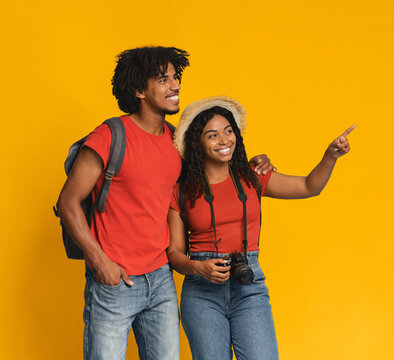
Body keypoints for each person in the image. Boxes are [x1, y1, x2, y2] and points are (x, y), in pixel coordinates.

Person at [55, 47, 274, 360]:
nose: (175, 85)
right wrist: (100, 262)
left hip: (161, 281)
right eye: (163, 80)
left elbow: (215, 168)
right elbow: (67, 202)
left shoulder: (177, 142)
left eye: (175, 77)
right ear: (139, 91)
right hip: (115, 282)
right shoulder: (110, 136)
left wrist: (256, 163)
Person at [166, 96, 355, 359]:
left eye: (228, 131)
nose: (224, 140)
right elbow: (174, 253)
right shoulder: (182, 190)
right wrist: (199, 267)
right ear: (197, 143)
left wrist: (330, 156)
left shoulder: (252, 177)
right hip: (201, 293)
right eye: (212, 135)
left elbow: (309, 186)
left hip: (249, 286)